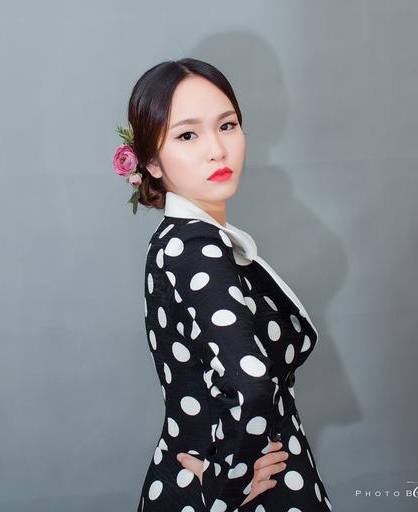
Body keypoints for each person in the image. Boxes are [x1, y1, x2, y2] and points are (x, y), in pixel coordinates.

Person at [112, 58, 332, 512]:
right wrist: (231, 481)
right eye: (187, 135)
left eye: (227, 126)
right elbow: (250, 382)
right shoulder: (194, 247)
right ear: (150, 161)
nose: (217, 149)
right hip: (245, 490)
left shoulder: (183, 241)